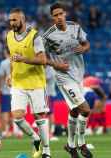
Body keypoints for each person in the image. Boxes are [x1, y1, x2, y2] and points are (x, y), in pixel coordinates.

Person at [43, 2, 93, 158]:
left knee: (74, 110)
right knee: (85, 109)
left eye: (61, 14)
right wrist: (55, 64)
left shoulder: (75, 27)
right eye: (55, 15)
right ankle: (81, 143)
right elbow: (41, 58)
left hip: (78, 74)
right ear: (52, 17)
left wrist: (83, 49)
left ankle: (71, 146)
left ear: (65, 14)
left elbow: (87, 44)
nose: (59, 17)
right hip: (63, 77)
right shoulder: (48, 36)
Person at [6, 8, 51, 158]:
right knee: (17, 117)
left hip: (36, 83)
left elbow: (43, 60)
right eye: (10, 20)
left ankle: (46, 151)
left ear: (22, 20)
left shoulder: (34, 36)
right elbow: (12, 58)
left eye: (15, 20)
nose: (12, 23)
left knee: (40, 117)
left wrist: (23, 59)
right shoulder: (9, 36)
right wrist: (10, 74)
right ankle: (35, 138)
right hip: (18, 83)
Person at [0, 50, 12, 138]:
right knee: (15, 111)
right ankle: (16, 131)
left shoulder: (3, 63)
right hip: (17, 90)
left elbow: (1, 76)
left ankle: (4, 132)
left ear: (6, 52)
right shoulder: (17, 61)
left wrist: (0, 88)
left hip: (6, 91)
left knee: (5, 111)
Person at [45, 66, 59, 141]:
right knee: (46, 113)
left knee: (50, 113)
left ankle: (50, 133)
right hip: (46, 94)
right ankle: (47, 133)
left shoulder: (50, 69)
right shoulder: (47, 68)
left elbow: (44, 79)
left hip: (49, 94)